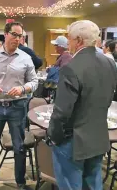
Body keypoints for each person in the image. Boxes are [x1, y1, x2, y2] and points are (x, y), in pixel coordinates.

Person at [46, 20, 117, 190]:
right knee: (93, 185)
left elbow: (62, 112)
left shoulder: (71, 67)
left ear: (78, 40)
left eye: (69, 38)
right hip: (99, 137)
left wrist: (53, 137)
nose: (68, 42)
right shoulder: (109, 63)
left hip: (73, 141)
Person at [0, 22, 38, 190]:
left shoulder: (25, 58)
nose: (18, 39)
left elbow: (34, 81)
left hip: (17, 107)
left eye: (21, 36)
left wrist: (23, 88)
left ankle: (20, 182)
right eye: (15, 35)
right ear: (6, 34)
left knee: (19, 146)